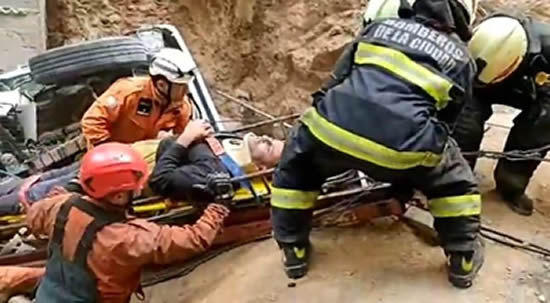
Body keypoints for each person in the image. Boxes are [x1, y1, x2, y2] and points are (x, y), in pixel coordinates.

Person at [270, 0, 484, 288]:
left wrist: (326, 124)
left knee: (297, 164)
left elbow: (333, 83)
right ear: (462, 15)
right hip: (402, 151)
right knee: (455, 181)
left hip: (332, 132)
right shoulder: (462, 58)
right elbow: (450, 123)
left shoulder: (379, 28)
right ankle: (463, 258)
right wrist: (410, 162)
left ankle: (294, 252)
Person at [25, 142, 229, 302]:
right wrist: (218, 207)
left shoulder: (60, 206)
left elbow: (35, 214)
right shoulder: (128, 238)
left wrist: (63, 194)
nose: (139, 190)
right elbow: (192, 239)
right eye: (135, 187)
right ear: (119, 196)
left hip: (48, 295)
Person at [453, 14, 550, 216]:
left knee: (539, 126)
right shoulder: (486, 36)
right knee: (464, 117)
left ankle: (511, 185)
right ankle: (456, 176)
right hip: (482, 80)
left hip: (537, 88)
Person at [81, 47, 194, 148]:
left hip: (145, 163)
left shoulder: (181, 108)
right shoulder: (128, 91)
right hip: (109, 161)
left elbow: (185, 137)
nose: (185, 90)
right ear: (162, 84)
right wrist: (111, 150)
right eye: (180, 86)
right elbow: (92, 121)